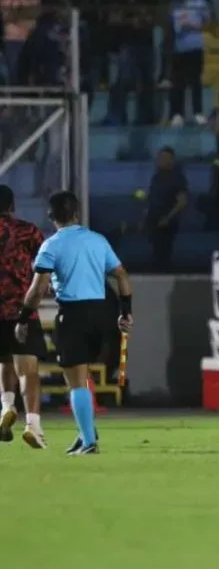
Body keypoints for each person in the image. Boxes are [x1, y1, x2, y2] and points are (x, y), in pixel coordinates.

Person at [16, 191, 133, 455]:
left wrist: (24, 318)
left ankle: (90, 441)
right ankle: (84, 435)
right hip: (102, 314)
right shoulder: (98, 240)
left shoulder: (51, 245)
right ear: (77, 214)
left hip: (73, 314)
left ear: (51, 217)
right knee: (83, 376)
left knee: (76, 381)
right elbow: (121, 275)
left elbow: (37, 289)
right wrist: (125, 312)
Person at [0, 185, 46, 447]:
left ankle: (7, 406)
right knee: (28, 369)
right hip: (21, 309)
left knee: (4, 361)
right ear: (12, 205)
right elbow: (44, 264)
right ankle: (33, 425)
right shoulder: (27, 231)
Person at [145, 147, 188, 272]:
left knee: (163, 251)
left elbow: (182, 202)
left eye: (165, 158)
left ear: (171, 160)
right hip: (153, 220)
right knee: (155, 251)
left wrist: (168, 218)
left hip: (167, 222)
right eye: (160, 158)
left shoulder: (177, 179)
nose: (161, 161)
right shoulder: (156, 177)